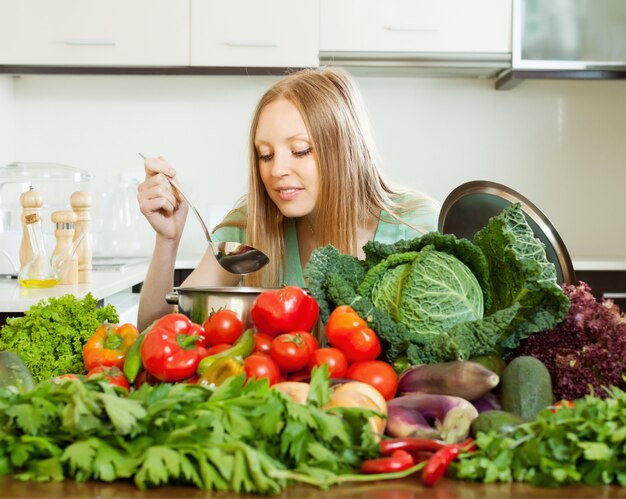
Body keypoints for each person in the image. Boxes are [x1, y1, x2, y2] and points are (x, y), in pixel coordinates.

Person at [137, 67, 440, 330]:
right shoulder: (249, 226)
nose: (276, 170)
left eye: (300, 150)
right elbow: (156, 332)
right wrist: (167, 240)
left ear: (344, 149)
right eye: (265, 155)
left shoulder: (417, 224)